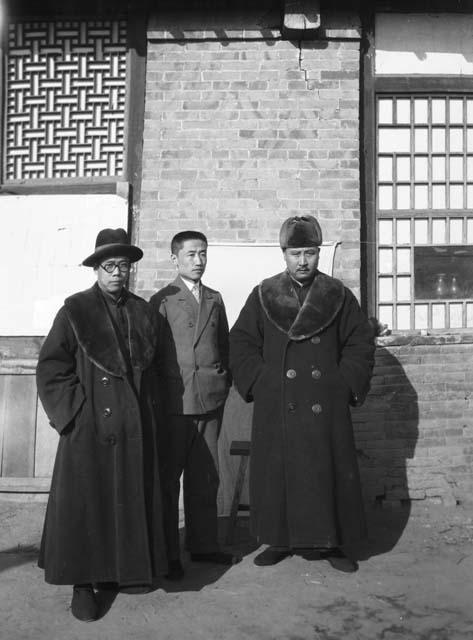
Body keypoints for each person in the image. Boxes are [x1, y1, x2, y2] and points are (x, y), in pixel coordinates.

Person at [229, 215, 375, 572]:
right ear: (284, 254)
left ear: (319, 253)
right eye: (296, 253)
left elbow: (360, 343)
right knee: (279, 474)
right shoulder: (264, 294)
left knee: (326, 472)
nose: (303, 261)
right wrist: (262, 381)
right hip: (278, 403)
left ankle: (330, 542)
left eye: (310, 252)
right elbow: (241, 342)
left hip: (324, 403)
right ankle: (278, 540)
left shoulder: (338, 295)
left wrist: (342, 383)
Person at [36, 228, 167, 621]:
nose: (117, 273)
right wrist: (74, 414)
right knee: (86, 506)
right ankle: (82, 583)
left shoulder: (144, 313)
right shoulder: (74, 310)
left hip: (131, 428)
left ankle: (115, 573)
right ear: (96, 268)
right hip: (89, 427)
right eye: (109, 265)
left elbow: (156, 371)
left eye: (123, 266)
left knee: (123, 499)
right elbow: (52, 367)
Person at [150, 230, 239, 580]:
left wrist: (221, 382)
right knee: (170, 483)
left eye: (203, 253)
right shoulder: (162, 299)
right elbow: (153, 357)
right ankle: (169, 553)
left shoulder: (215, 298)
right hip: (176, 404)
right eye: (190, 255)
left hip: (210, 400)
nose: (198, 261)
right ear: (175, 259)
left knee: (205, 478)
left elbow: (225, 347)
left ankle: (203, 545)